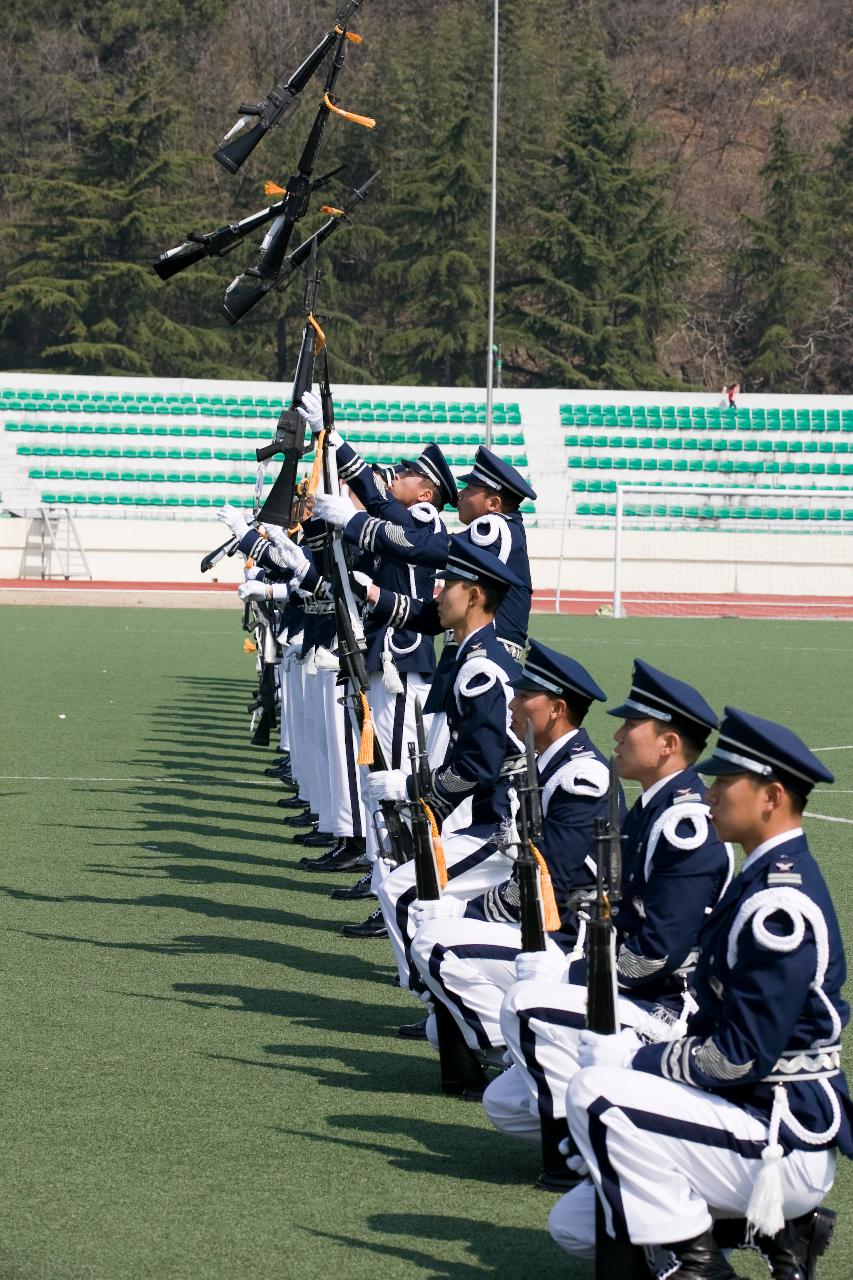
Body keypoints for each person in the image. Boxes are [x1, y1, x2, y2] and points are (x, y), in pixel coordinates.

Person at [555, 708, 849, 1279]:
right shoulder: (761, 881)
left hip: (782, 1136)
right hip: (750, 1115)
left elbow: (737, 1055)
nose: (708, 794)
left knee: (600, 1096)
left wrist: (636, 1062)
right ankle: (781, 1231)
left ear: (771, 797)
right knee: (577, 1224)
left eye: (723, 783)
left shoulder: (779, 909)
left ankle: (700, 1269)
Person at [486, 661, 733, 1180]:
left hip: (672, 1010)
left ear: (667, 744)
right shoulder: (654, 806)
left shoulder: (685, 824)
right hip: (637, 995)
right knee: (505, 1102)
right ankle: (610, 1125)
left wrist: (572, 977)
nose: (616, 735)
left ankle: (591, 1152)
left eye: (631, 727)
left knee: (530, 1003)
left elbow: (653, 955)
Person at [408, 643, 618, 1120]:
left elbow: (552, 877)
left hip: (569, 940)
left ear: (557, 709)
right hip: (546, 926)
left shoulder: (581, 774)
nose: (514, 702)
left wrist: (473, 912)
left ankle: (518, 1051)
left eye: (525, 695)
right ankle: (519, 1040)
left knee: (435, 944)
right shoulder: (548, 762)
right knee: (442, 1029)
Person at [363, 539, 526, 1024]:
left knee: (401, 889)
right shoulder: (470, 652)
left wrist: (416, 791)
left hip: (505, 824)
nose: (438, 592)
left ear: (474, 595)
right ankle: (447, 1007)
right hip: (488, 812)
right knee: (414, 887)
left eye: (449, 584)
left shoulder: (481, 666)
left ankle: (447, 1006)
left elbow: (480, 762)